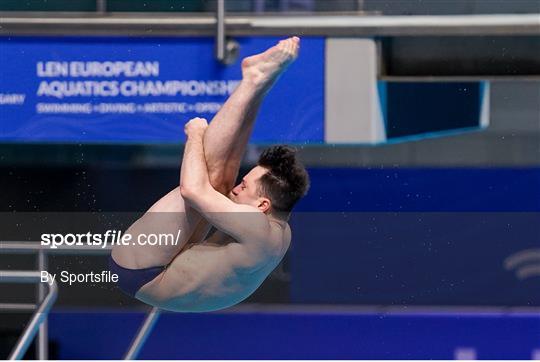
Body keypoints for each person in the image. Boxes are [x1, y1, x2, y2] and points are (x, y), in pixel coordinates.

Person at [110, 36, 309, 312]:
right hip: (163, 273)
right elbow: (218, 190)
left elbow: (191, 190)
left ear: (263, 205)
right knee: (219, 183)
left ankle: (254, 80)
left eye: (245, 186)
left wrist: (195, 135)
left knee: (211, 181)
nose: (237, 188)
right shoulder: (280, 231)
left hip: (142, 267)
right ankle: (258, 83)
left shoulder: (256, 225)